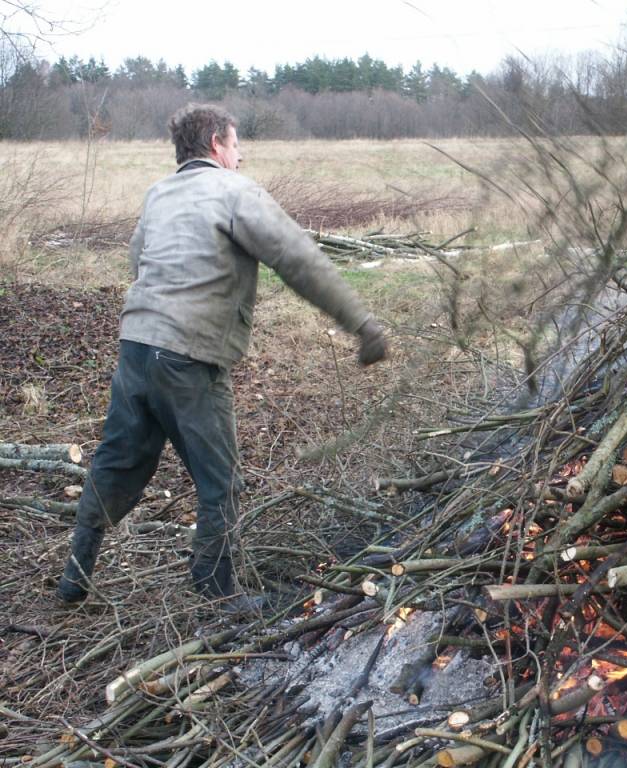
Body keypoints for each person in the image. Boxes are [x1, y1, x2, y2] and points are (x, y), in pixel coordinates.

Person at [56, 103, 387, 610]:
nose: (240, 154)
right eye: (235, 145)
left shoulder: (159, 193)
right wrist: (361, 324)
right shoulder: (235, 191)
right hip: (190, 356)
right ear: (216, 144)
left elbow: (137, 261)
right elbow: (297, 258)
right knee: (221, 480)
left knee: (115, 463)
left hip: (136, 348)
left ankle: (74, 578)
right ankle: (216, 595)